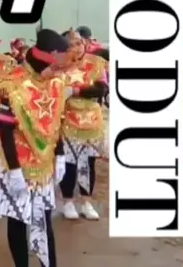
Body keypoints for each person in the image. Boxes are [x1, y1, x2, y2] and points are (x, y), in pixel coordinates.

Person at [0, 29, 100, 267]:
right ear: (46, 58)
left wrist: (59, 155)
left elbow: (55, 121)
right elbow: (6, 130)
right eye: (56, 66)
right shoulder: (11, 82)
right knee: (18, 218)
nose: (59, 72)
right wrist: (14, 171)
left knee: (43, 217)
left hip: (44, 161)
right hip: (14, 159)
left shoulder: (55, 83)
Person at [59, 29, 108, 221]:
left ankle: (86, 202)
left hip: (92, 121)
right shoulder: (60, 65)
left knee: (88, 163)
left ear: (84, 44)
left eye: (79, 43)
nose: (77, 48)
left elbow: (101, 90)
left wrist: (76, 91)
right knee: (69, 163)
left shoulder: (96, 63)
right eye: (71, 45)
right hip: (68, 121)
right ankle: (68, 202)